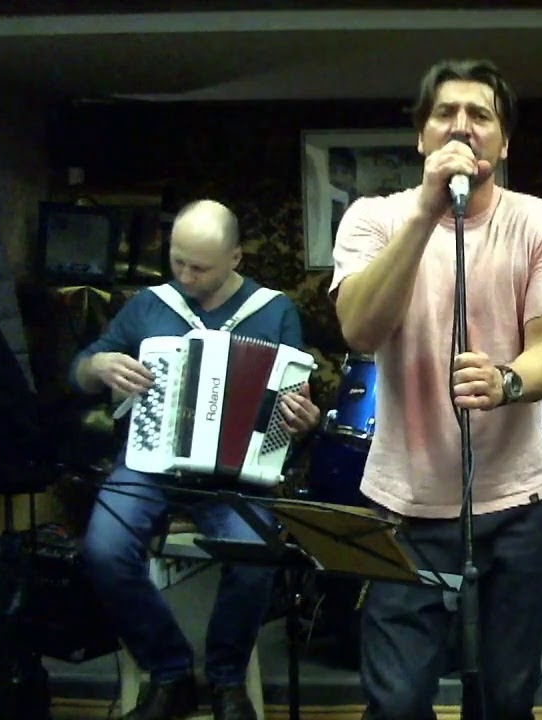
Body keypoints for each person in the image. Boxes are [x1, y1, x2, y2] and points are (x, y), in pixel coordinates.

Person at [329, 58, 542, 719]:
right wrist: (425, 211)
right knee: (396, 703)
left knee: (505, 698)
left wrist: (506, 379)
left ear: (505, 141)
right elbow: (360, 328)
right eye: (445, 113)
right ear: (422, 136)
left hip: (516, 504)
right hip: (403, 504)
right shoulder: (372, 219)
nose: (462, 126)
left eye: (481, 115)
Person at [73, 199, 321, 720]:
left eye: (200, 267)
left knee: (255, 557)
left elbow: (292, 404)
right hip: (150, 462)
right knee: (103, 550)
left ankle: (227, 679)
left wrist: (301, 419)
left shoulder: (273, 311)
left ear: (235, 258)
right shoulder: (149, 304)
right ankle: (170, 672)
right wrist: (99, 366)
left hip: (235, 476)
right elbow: (80, 370)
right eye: (177, 260)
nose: (185, 276)